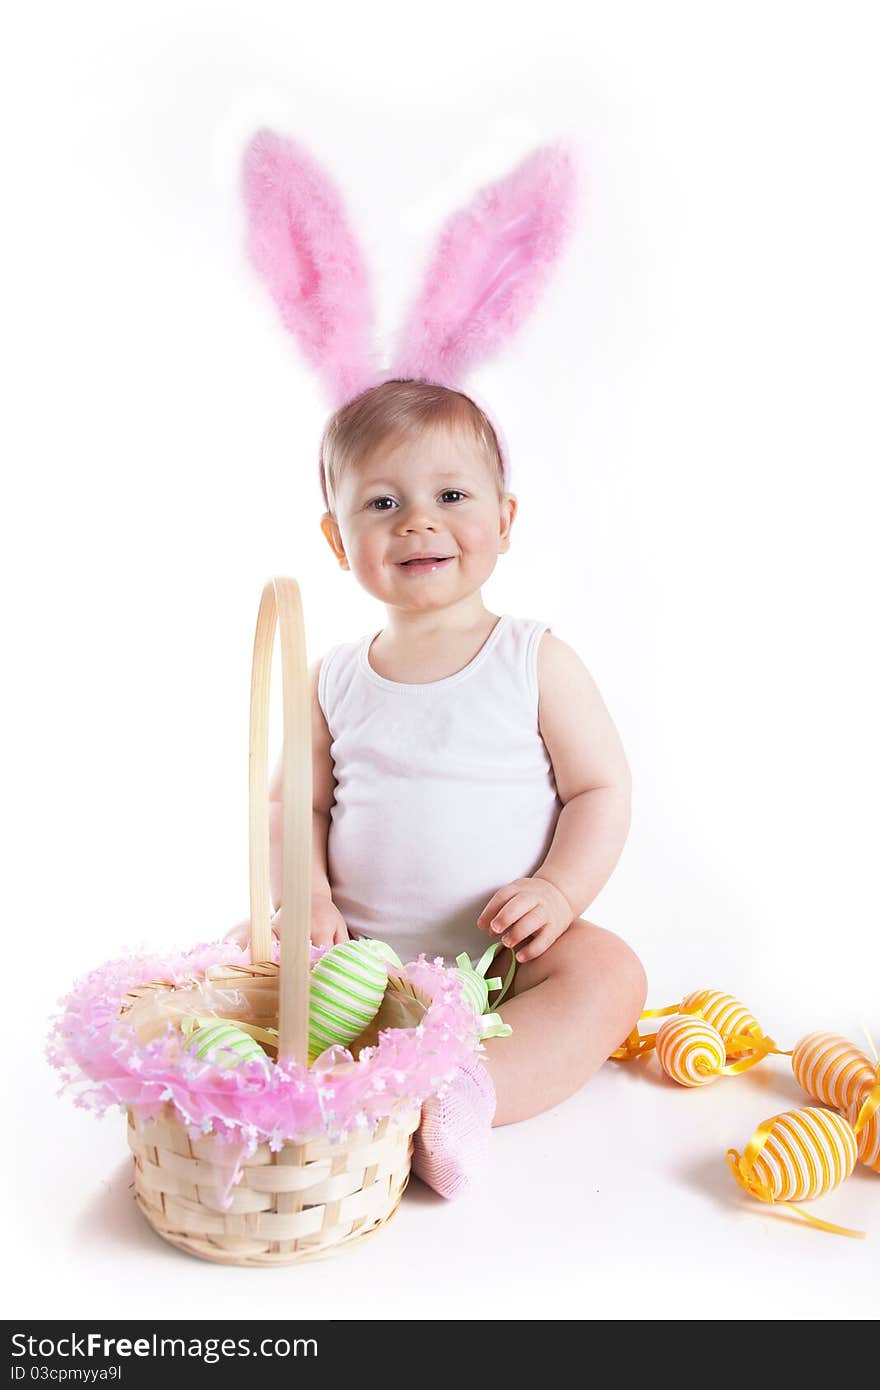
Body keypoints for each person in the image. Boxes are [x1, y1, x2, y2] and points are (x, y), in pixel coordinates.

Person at [226, 128, 648, 1199]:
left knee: (609, 972)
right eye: (381, 502)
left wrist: (560, 888)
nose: (419, 521)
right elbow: (294, 801)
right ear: (338, 542)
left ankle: (462, 1088)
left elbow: (601, 786)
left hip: (504, 960)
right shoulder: (331, 673)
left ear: (504, 520)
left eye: (451, 495)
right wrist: (308, 892)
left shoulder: (531, 658)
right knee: (242, 954)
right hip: (359, 957)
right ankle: (301, 1084)